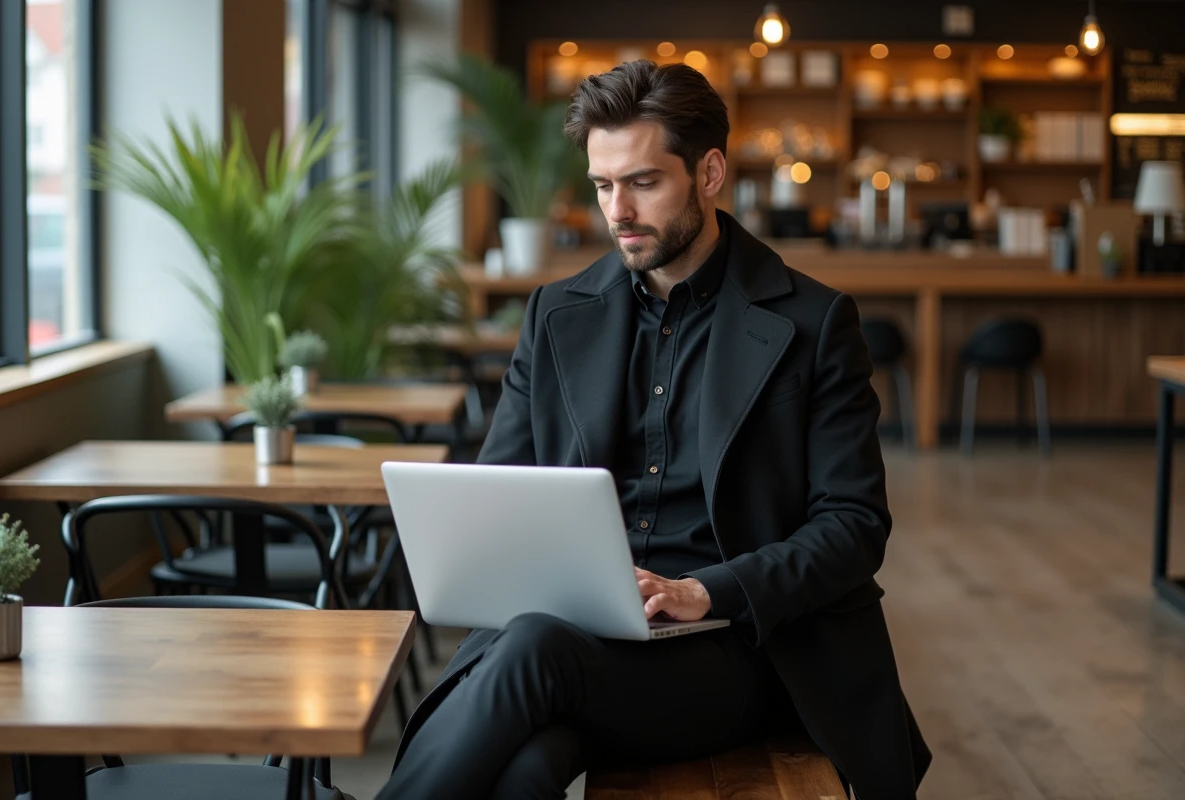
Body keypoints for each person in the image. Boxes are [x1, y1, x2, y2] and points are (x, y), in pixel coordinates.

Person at [377, 59, 930, 800]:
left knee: (536, 649)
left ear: (709, 173)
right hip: (579, 642)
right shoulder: (555, 315)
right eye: (602, 185)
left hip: (735, 648)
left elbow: (854, 526)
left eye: (642, 182)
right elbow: (500, 493)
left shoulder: (814, 322)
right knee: (525, 770)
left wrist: (706, 590)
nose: (619, 211)